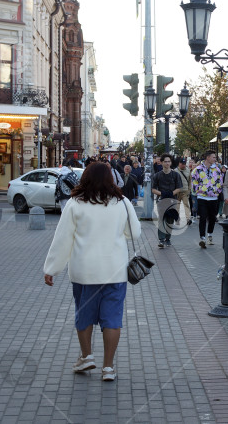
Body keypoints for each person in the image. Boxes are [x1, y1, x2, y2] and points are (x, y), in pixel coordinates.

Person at [43, 162, 140, 381]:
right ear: (111, 179)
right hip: (114, 270)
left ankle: (86, 356)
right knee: (112, 318)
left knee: (84, 314)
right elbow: (135, 232)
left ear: (84, 178)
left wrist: (51, 269)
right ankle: (108, 368)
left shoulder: (75, 203)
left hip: (84, 271)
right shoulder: (122, 202)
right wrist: (116, 234)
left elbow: (63, 239)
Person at [191, 151, 223, 248]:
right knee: (203, 217)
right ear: (207, 157)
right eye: (213, 157)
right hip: (202, 197)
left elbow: (220, 182)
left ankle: (209, 234)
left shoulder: (217, 170)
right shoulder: (198, 169)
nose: (215, 159)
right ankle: (202, 238)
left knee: (212, 217)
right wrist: (199, 191)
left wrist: (216, 191)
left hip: (213, 197)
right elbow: (194, 181)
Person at [151, 153, 182, 248]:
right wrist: (162, 194)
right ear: (161, 163)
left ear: (171, 162)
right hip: (161, 200)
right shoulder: (157, 175)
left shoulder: (176, 175)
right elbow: (153, 189)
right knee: (161, 219)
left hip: (172, 200)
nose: (167, 163)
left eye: (169, 161)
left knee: (170, 220)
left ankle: (168, 239)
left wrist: (171, 193)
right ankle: (161, 239)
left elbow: (179, 188)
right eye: (165, 161)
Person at [174, 157, 192, 225]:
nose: (183, 165)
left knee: (186, 205)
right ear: (179, 164)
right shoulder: (175, 171)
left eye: (184, 164)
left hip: (185, 191)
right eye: (182, 164)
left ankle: (188, 219)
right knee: (177, 206)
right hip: (177, 191)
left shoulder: (188, 170)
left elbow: (190, 181)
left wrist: (189, 189)